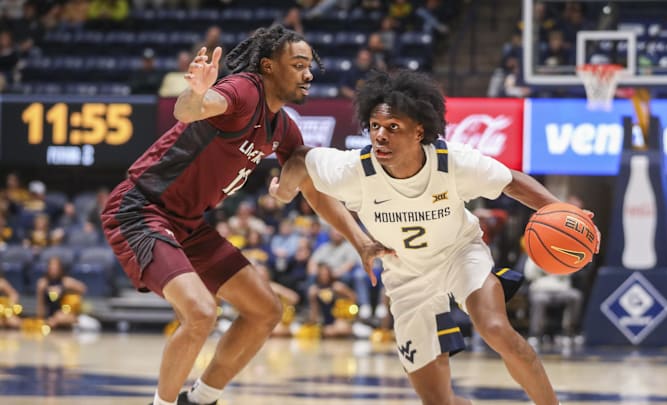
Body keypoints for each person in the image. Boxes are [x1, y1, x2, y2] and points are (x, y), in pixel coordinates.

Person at [270, 69, 600, 405]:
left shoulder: (452, 163)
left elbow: (512, 181)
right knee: (437, 402)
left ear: (419, 131)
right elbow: (300, 161)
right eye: (374, 126)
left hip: (460, 254)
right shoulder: (353, 171)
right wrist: (286, 193)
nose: (380, 136)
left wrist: (563, 212)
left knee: (496, 329)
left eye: (393, 127)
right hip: (405, 274)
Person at [101, 25, 390, 405]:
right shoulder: (243, 89)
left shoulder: (283, 127)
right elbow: (190, 110)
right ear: (268, 66)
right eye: (299, 65)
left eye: (310, 66)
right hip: (141, 209)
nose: (308, 74)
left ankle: (202, 399)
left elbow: (314, 193)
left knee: (265, 310)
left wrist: (362, 242)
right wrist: (197, 91)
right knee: (201, 313)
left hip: (188, 224)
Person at [36, 256, 87, 329]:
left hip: (66, 314)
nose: (54, 270)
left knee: (59, 317)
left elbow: (83, 288)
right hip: (50, 316)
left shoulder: (65, 281)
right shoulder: (43, 283)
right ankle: (52, 322)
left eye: (56, 267)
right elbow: (40, 306)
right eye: (51, 267)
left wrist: (63, 289)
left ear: (60, 269)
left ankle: (55, 321)